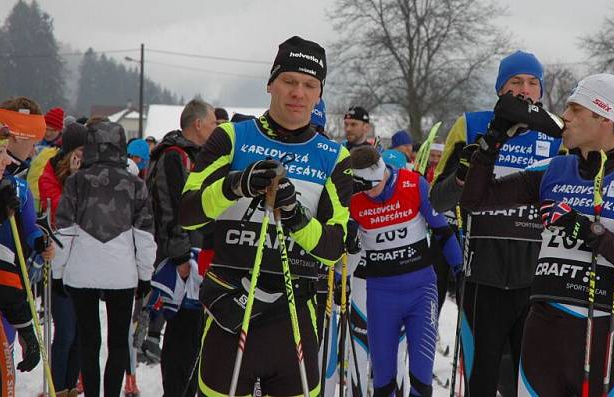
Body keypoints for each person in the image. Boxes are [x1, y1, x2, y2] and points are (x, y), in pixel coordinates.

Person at [461, 73, 614, 395]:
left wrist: (588, 231)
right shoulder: (554, 169)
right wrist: (492, 141)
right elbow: (475, 202)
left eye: (575, 110)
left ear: (604, 118)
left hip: (605, 337)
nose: (565, 117)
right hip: (543, 336)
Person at [179, 36, 351, 397]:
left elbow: (334, 248)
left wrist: (295, 216)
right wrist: (236, 185)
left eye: (309, 85)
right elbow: (188, 214)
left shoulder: (333, 156)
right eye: (289, 81)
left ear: (319, 94)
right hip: (231, 306)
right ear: (270, 83)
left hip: (294, 313)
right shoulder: (231, 137)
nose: (298, 93)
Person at [429, 50, 562, 395]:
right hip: (481, 277)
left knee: (530, 383)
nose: (524, 90)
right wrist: (461, 178)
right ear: (500, 88)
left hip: (537, 278)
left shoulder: (557, 132)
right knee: (481, 380)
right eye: (515, 81)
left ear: (541, 91)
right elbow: (437, 201)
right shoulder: (471, 125)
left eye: (533, 83)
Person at [52, 122, 156, 397]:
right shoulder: (135, 184)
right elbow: (144, 235)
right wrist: (145, 275)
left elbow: (64, 232)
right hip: (121, 274)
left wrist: (57, 273)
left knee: (89, 341)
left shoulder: (76, 182)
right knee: (119, 342)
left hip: (81, 271)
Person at [349, 145, 462, 396]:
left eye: (372, 186)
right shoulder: (355, 198)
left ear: (381, 173)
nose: (369, 193)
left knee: (421, 381)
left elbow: (443, 231)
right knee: (383, 381)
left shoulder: (413, 184)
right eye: (363, 188)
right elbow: (342, 241)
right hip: (381, 295)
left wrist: (460, 270)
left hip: (421, 292)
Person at [145, 98, 215, 396]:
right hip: (184, 259)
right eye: (213, 123)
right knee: (182, 335)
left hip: (200, 254)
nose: (216, 128)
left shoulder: (196, 155)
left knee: (197, 334)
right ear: (198, 124)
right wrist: (181, 256)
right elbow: (170, 208)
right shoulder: (174, 156)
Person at [0, 103, 54, 394]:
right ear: (16, 137)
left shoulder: (17, 186)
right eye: (32, 142)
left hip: (11, 290)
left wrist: (41, 242)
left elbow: (31, 227)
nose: (34, 150)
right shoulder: (9, 185)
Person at [38, 122, 87, 395]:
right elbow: (59, 209)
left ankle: (70, 386)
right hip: (58, 261)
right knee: (66, 332)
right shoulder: (50, 172)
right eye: (81, 150)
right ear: (69, 151)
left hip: (84, 261)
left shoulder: (90, 173)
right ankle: (58, 387)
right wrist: (74, 180)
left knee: (80, 334)